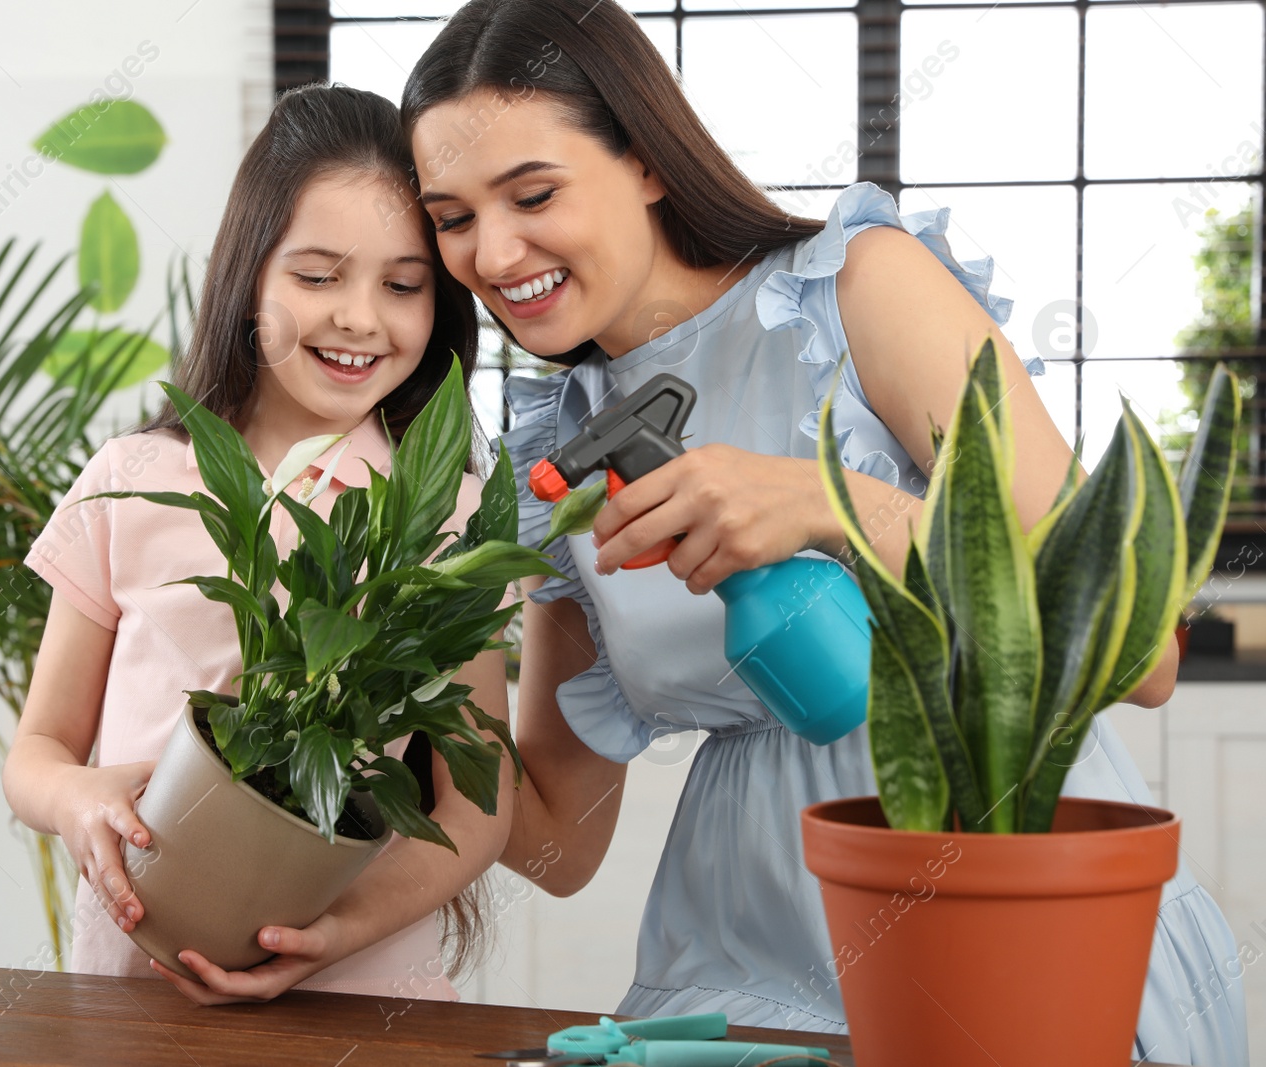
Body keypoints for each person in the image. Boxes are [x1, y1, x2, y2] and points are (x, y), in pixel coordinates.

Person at [400, 1, 1249, 1063]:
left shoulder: (848, 292)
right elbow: (558, 836)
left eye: (533, 194)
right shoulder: (554, 451)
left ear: (649, 161)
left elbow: (1145, 649)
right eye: (450, 217)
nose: (492, 251)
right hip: (741, 955)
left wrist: (830, 503)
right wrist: (407, 653)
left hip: (1003, 900)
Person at [2, 83, 511, 1006]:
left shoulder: (446, 513)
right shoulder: (130, 477)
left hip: (362, 990)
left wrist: (335, 934)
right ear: (249, 279)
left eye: (403, 286)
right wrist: (77, 801)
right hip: (137, 982)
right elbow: (37, 748)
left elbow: (478, 806)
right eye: (318, 276)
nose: (360, 317)